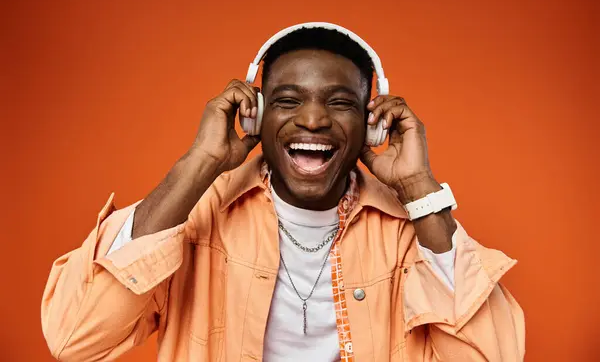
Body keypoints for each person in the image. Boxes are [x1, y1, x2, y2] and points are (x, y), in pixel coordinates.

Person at [42, 24, 525, 361]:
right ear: (255, 115)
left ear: (372, 124)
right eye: (287, 101)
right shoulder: (196, 214)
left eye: (339, 103)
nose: (313, 119)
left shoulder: (409, 229)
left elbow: (493, 356)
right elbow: (74, 338)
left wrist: (419, 187)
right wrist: (199, 164)